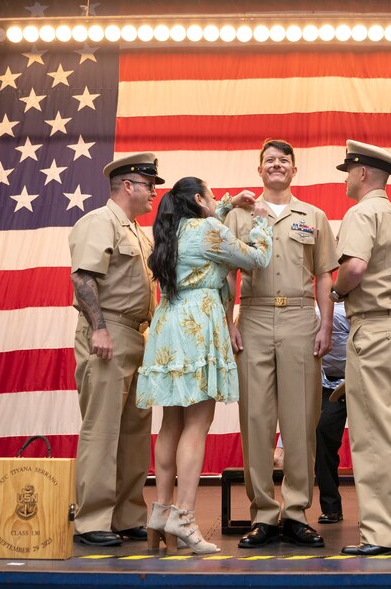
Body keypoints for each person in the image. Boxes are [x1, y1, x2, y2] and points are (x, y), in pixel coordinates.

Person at [137, 177, 272, 554]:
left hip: (169, 325)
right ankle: (185, 516)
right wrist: (261, 219)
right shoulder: (207, 228)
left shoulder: (171, 228)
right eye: (212, 196)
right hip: (198, 324)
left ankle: (160, 512)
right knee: (198, 423)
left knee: (171, 423)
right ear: (198, 200)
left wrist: (227, 205)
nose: (217, 200)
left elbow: (212, 226)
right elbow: (256, 257)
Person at [224, 139, 338, 549]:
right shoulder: (238, 215)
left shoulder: (315, 216)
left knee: (300, 421)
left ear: (294, 170)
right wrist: (227, 322)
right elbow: (225, 274)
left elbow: (325, 273)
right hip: (252, 316)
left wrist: (325, 324)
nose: (276, 165)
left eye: (283, 161)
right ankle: (263, 515)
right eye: (269, 160)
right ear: (259, 171)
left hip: (298, 318)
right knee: (255, 418)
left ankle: (295, 513)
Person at [329, 140, 391, 557]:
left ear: (362, 173)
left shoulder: (361, 212)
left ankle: (384, 534)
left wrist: (335, 292)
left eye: (348, 171)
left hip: (373, 328)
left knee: (373, 432)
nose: (346, 178)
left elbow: (354, 266)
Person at [67, 152, 163, 547]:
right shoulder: (99, 222)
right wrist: (100, 329)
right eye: (149, 185)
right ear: (129, 185)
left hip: (137, 336)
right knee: (102, 429)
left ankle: (126, 515)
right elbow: (84, 277)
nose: (154, 192)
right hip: (109, 332)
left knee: (135, 431)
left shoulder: (139, 232)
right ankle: (92, 520)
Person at [315, 301, 349, 524]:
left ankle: (374, 510)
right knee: (322, 436)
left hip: (361, 380)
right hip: (328, 385)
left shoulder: (354, 310)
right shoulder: (312, 313)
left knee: (371, 444)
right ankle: (331, 507)